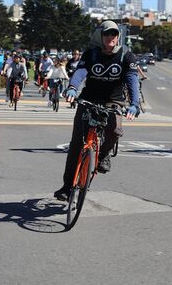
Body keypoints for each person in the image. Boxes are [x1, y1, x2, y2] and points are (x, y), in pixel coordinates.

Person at [54, 20, 140, 201]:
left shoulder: (126, 55)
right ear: (101, 37)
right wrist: (72, 87)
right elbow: (80, 72)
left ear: (118, 37)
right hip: (89, 99)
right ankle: (67, 186)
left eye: (114, 34)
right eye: (107, 34)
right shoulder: (91, 54)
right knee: (77, 144)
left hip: (113, 101)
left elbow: (132, 79)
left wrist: (134, 103)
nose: (111, 37)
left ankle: (103, 155)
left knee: (115, 129)